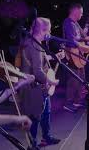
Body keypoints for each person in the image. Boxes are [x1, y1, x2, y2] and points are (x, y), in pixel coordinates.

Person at [19, 17, 61, 147]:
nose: (50, 32)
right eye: (49, 29)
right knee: (35, 116)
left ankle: (46, 137)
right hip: (35, 88)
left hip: (39, 87)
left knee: (46, 112)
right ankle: (32, 145)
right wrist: (52, 82)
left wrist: (53, 57)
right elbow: (37, 72)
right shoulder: (35, 45)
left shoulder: (33, 42)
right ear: (43, 30)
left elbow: (37, 60)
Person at [62, 4, 89, 113]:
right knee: (73, 79)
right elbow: (72, 40)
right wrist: (83, 47)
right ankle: (68, 103)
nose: (82, 15)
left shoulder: (76, 24)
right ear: (75, 12)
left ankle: (77, 101)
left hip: (78, 54)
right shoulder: (68, 23)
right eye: (81, 12)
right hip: (71, 53)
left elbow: (84, 37)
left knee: (81, 77)